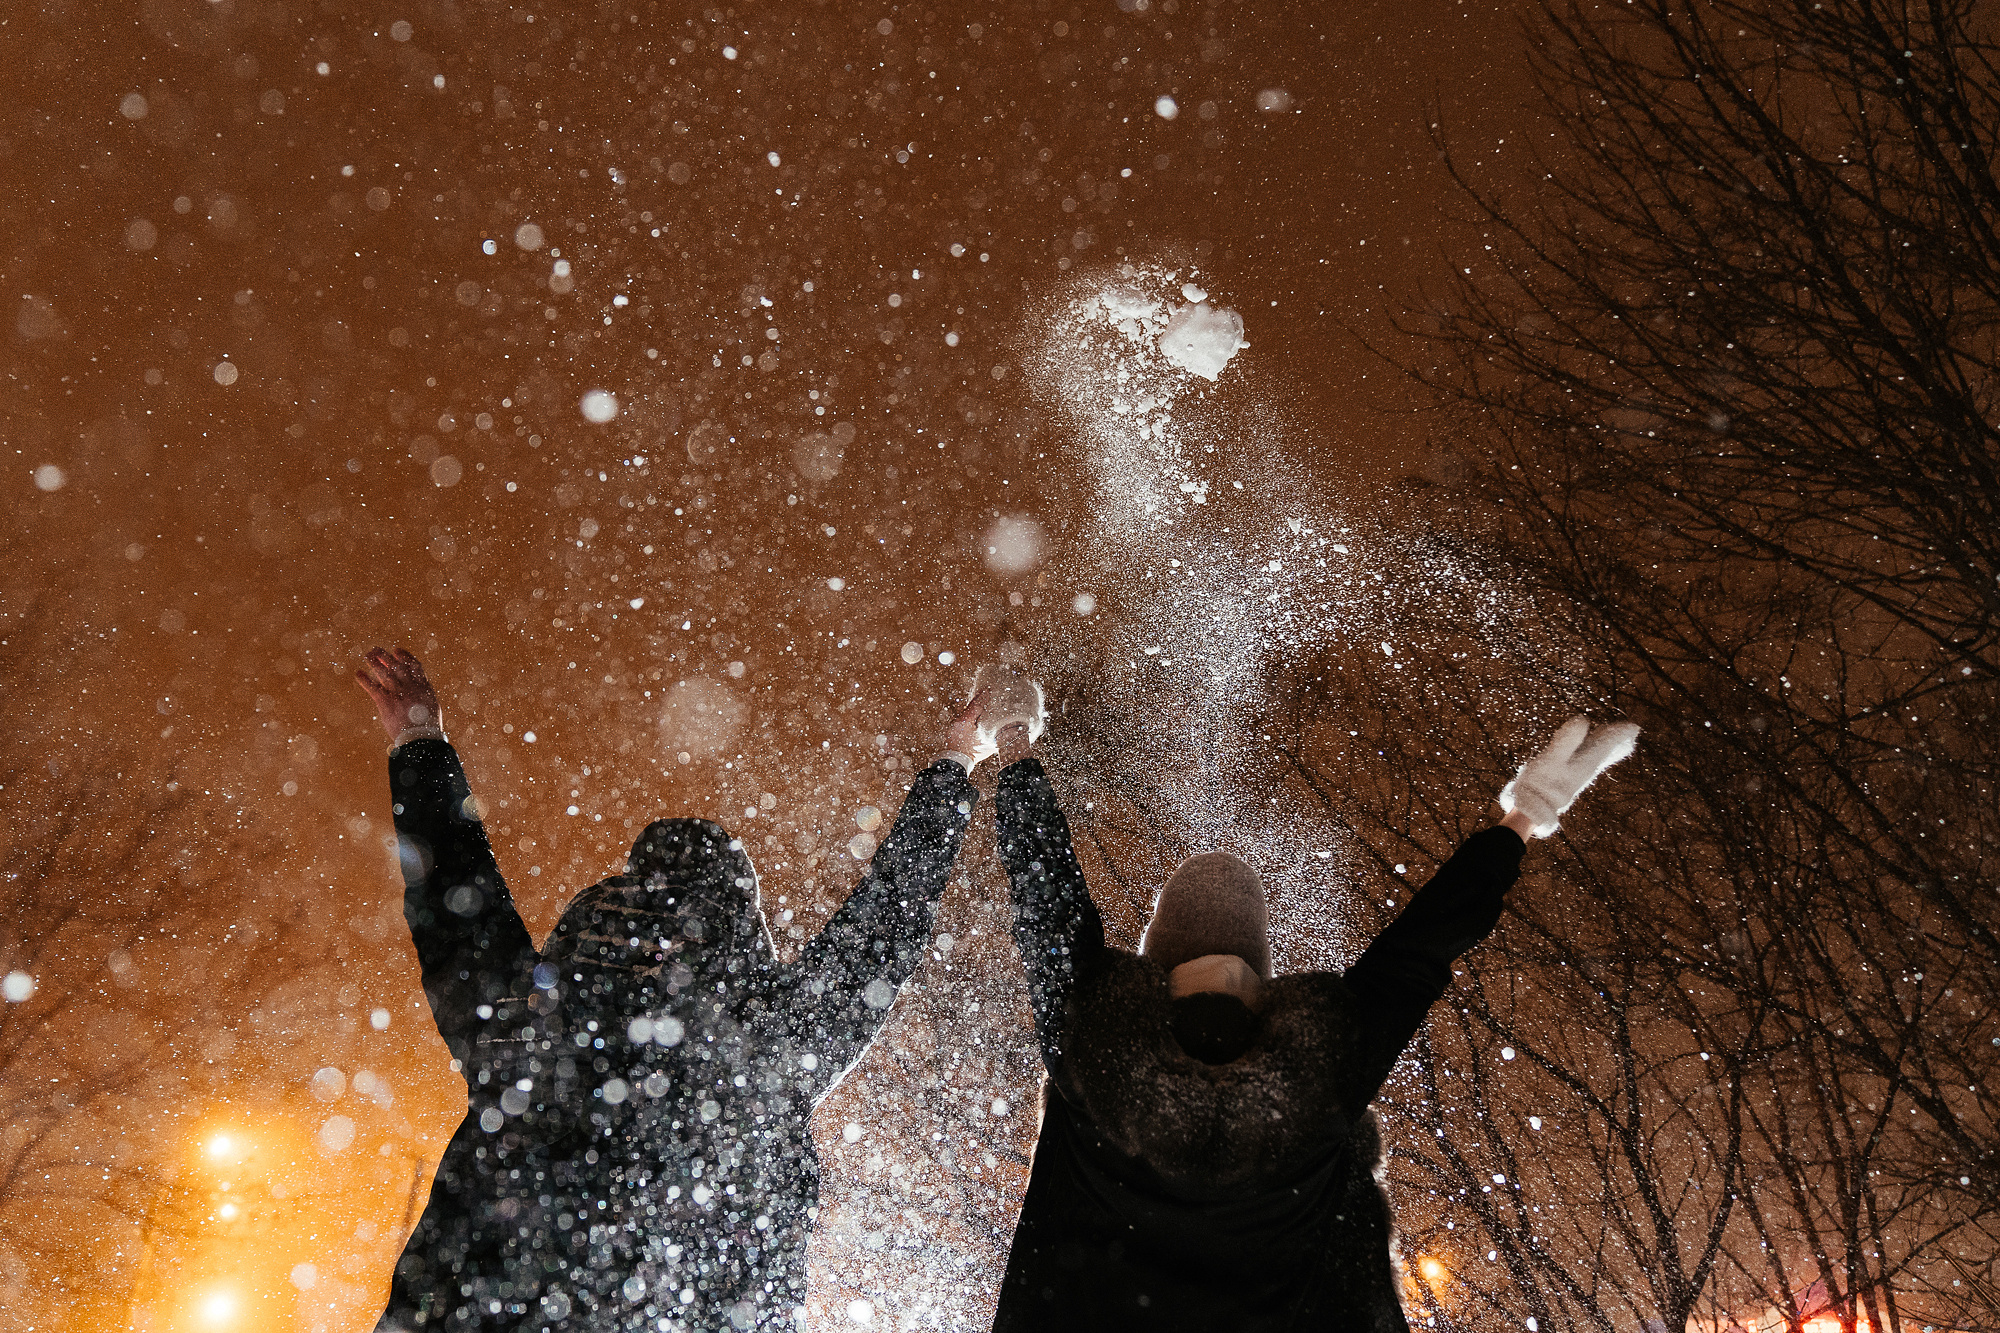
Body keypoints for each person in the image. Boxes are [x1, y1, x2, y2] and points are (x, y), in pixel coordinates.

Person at [355, 648, 991, 1333]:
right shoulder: (764, 1044)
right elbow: (884, 923)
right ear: (741, 927)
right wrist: (954, 762)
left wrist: (419, 741)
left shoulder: (529, 1017)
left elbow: (457, 900)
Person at [988, 715, 1639, 1329]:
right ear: (1260, 966)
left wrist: (1013, 741)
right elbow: (1421, 949)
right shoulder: (1320, 1071)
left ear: (1154, 956)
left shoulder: (1095, 1047)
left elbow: (1044, 894)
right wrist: (1522, 816)